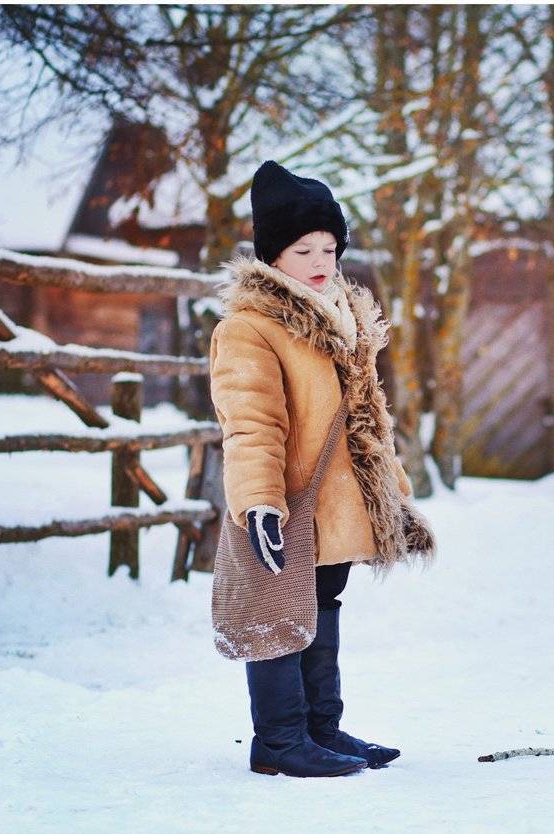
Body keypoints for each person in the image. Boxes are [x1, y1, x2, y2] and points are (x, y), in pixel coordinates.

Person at [209, 160, 435, 778]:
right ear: (273, 255)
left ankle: (319, 729)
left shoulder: (344, 316)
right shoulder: (250, 328)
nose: (319, 261)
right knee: (280, 609)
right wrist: (259, 501)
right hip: (286, 498)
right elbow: (251, 423)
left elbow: (369, 418)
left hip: (337, 498)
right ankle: (278, 740)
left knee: (322, 600)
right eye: (303, 247)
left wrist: (393, 493)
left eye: (330, 247)